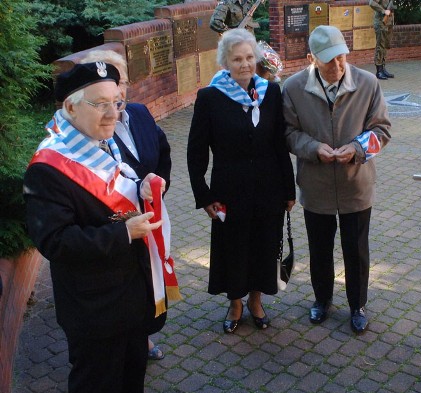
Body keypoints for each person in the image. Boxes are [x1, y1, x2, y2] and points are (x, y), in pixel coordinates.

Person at [23, 62, 167, 393]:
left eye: (116, 102)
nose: (112, 114)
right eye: (99, 104)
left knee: (132, 383)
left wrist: (141, 185)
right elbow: (55, 242)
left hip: (131, 298)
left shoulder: (102, 145)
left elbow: (118, 192)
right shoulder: (47, 168)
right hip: (95, 311)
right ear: (70, 107)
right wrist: (124, 234)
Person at [282, 25, 391, 334]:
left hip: (356, 184)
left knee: (356, 250)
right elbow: (287, 132)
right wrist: (314, 148)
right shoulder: (292, 88)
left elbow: (382, 130)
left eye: (342, 57)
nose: (338, 66)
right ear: (311, 58)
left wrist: (356, 149)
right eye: (329, 60)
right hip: (316, 186)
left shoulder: (368, 84)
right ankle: (322, 300)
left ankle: (357, 304)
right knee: (319, 248)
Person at [187, 28, 296, 334]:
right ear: (225, 62)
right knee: (233, 248)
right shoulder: (210, 97)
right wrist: (203, 195)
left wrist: (289, 189)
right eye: (237, 59)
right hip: (228, 189)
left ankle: (256, 301)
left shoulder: (270, 92)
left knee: (265, 245)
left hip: (269, 187)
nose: (245, 64)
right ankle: (236, 304)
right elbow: (196, 150)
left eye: (249, 57)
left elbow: (279, 144)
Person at [80, 49, 172, 361]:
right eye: (110, 81)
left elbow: (162, 154)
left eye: (123, 81)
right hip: (112, 232)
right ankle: (129, 340)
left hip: (148, 219)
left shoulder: (141, 113)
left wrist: (157, 191)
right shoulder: (85, 132)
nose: (119, 89)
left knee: (147, 279)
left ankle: (142, 335)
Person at [369, 0, 396, 79]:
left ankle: (383, 69)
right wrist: (383, 11)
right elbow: (371, 3)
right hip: (381, 22)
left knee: (385, 46)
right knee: (380, 46)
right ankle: (379, 71)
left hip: (388, 22)